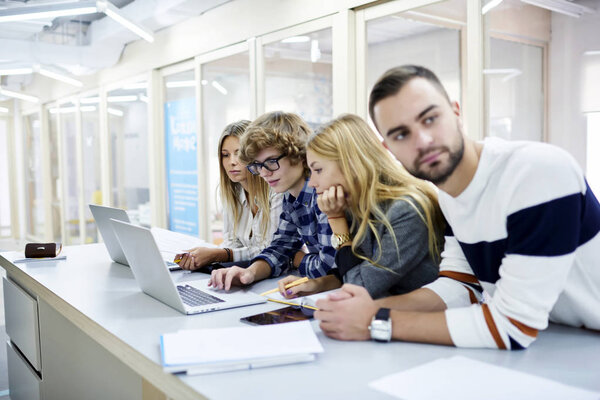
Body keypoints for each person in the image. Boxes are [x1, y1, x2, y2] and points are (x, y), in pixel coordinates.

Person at [315, 65, 600, 349]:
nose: (423, 141)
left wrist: (375, 320)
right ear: (388, 149)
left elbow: (512, 326)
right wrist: (361, 310)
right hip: (566, 339)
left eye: (430, 119)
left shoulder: (536, 171)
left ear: (456, 111)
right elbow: (461, 287)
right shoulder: (450, 197)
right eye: (401, 134)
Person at [276, 114, 445, 300]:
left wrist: (336, 220)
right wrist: (317, 284)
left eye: (318, 170)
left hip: (423, 318)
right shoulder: (358, 205)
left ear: (352, 165)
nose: (313, 182)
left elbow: (359, 286)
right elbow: (355, 269)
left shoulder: (406, 210)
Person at [208, 111, 336, 290]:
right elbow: (281, 248)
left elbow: (330, 269)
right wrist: (249, 273)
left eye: (271, 162)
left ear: (298, 154)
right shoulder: (290, 197)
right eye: (258, 165)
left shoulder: (323, 193)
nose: (264, 173)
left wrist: (296, 259)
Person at [176, 120, 283, 271]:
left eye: (238, 153)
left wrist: (219, 255)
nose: (231, 162)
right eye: (225, 155)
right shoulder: (231, 193)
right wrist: (204, 257)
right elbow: (231, 244)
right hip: (246, 273)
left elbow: (272, 250)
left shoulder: (277, 191)